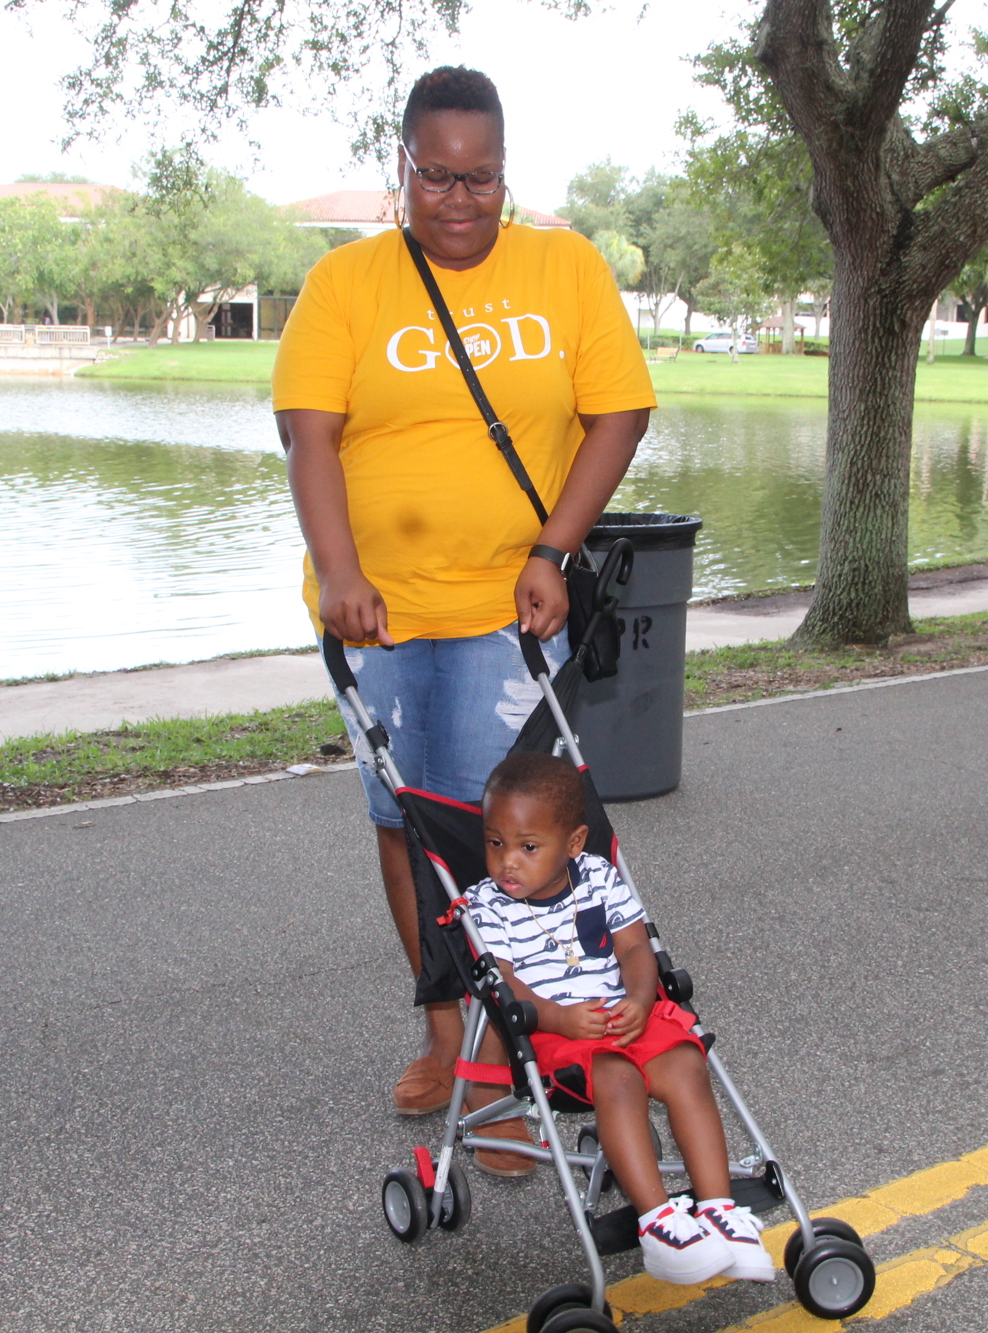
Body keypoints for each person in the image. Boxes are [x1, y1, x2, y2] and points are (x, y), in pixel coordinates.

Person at [270, 65, 656, 1159]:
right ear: (401, 167)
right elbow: (310, 437)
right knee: (407, 825)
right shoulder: (346, 284)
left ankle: (507, 1050)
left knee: (510, 837)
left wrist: (553, 548)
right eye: (435, 175)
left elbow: (617, 414)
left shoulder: (561, 266)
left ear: (503, 171)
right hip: (376, 619)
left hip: (509, 609)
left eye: (478, 178)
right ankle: (442, 1029)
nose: (456, 199)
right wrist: (339, 572)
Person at [464, 754, 773, 1286]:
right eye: (496, 843)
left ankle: (719, 1210)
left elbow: (634, 948)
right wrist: (560, 1018)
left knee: (683, 1064)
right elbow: (504, 983)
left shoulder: (600, 878)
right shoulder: (486, 906)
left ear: (575, 843)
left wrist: (638, 997)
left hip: (622, 1011)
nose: (507, 862)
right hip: (552, 1028)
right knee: (617, 1077)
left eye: (528, 847)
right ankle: (658, 1226)